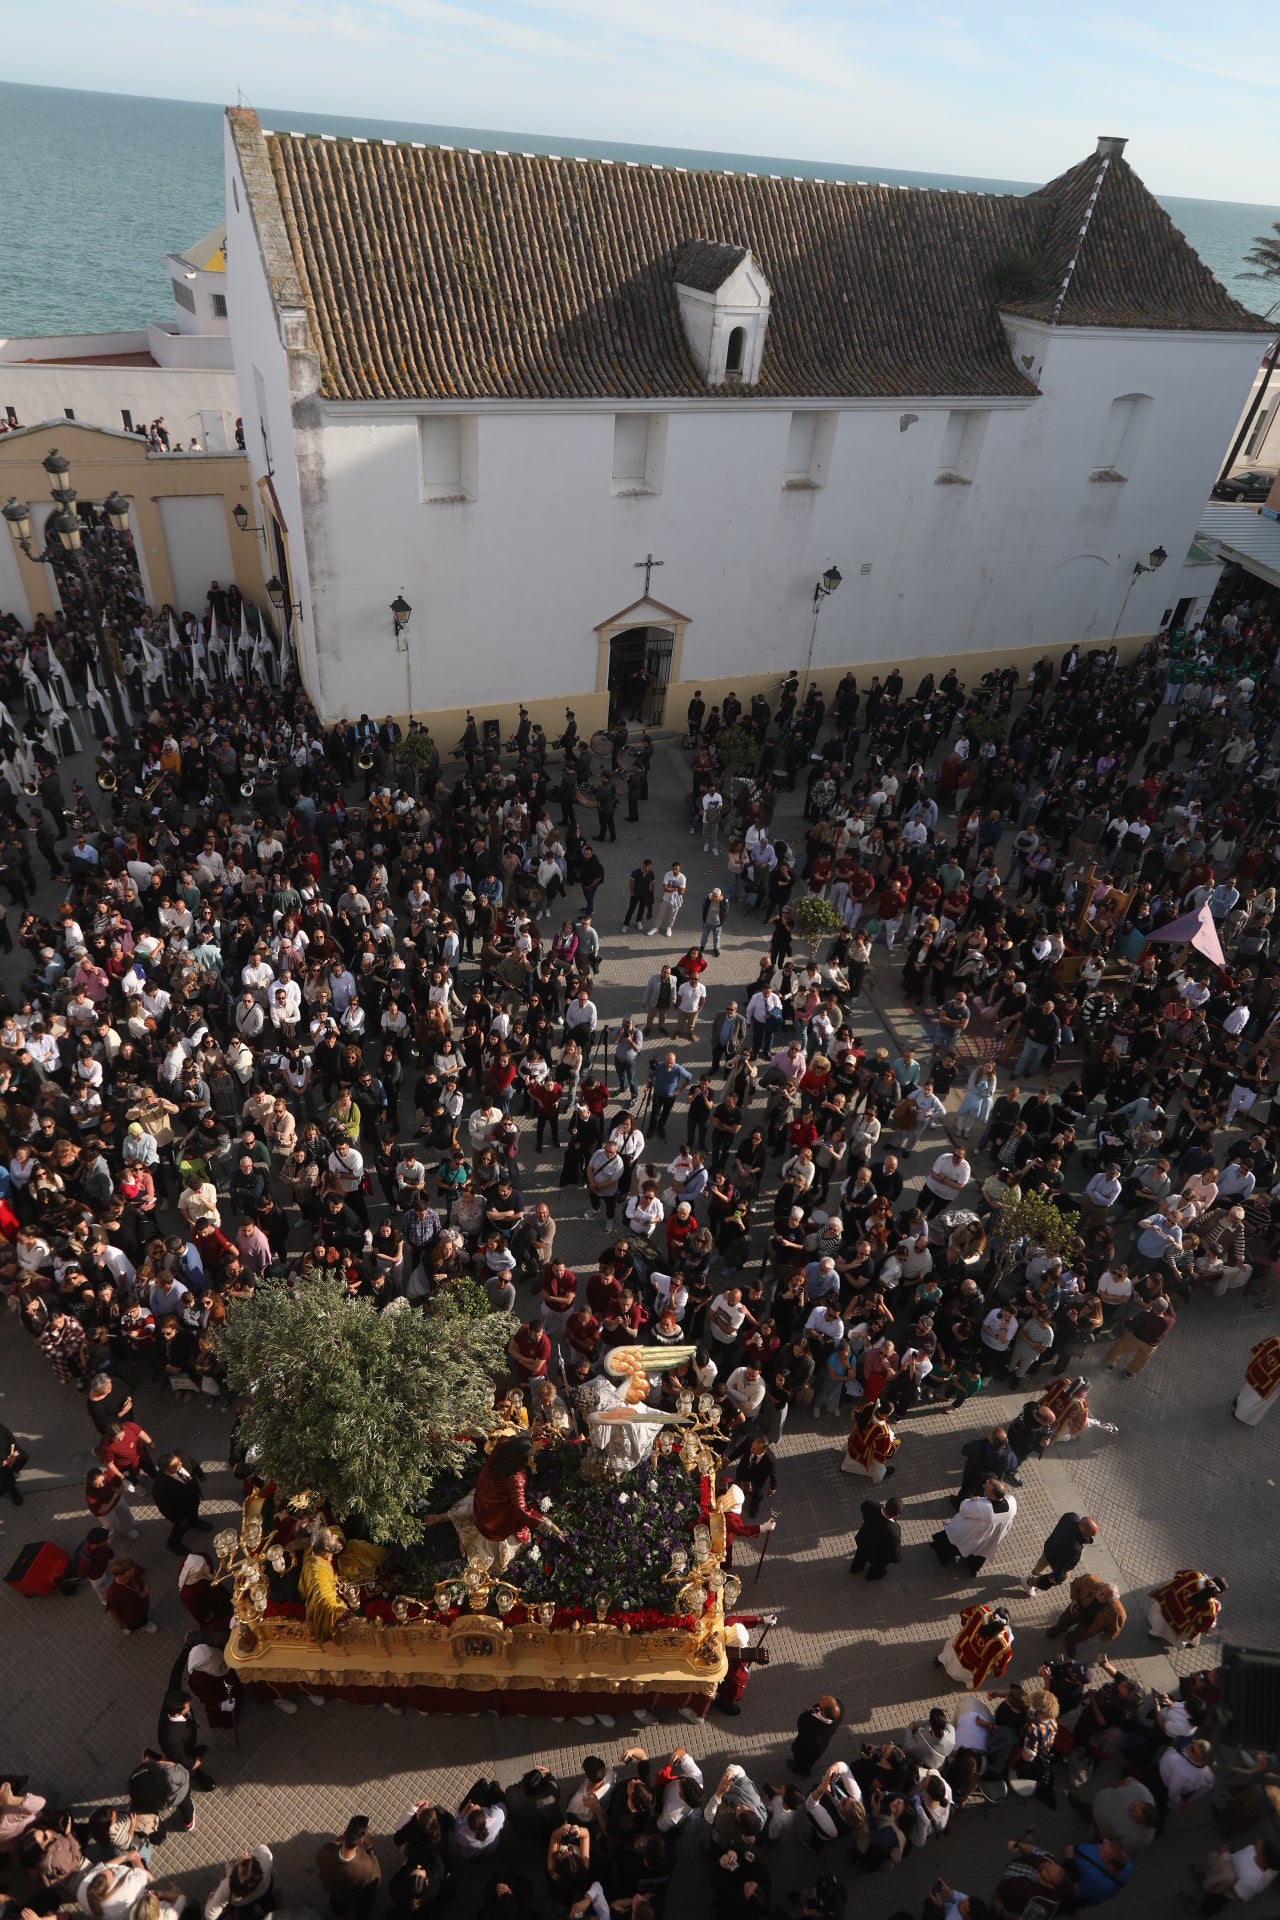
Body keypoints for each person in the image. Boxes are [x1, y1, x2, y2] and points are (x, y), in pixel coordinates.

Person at [931, 1480, 1016, 1575]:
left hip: (973, 1533)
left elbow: (963, 1508)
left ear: (992, 1496)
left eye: (986, 1488)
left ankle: (943, 1554)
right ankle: (972, 1567)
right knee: (980, 1552)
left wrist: (975, 1499)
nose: (983, 1485)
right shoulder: (1012, 1502)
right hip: (991, 1538)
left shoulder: (983, 1506)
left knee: (957, 1544)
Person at [316, 1815, 382, 1919]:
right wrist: (370, 1848)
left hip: (336, 1894)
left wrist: (340, 1839)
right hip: (357, 1896)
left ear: (345, 1833)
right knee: (363, 1909)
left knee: (338, 1909)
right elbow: (376, 1882)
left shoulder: (324, 1851)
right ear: (361, 1841)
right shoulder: (367, 1867)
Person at [1044, 1573, 1127, 1655]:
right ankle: (1059, 1629)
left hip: (1090, 1624)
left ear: (1111, 1601)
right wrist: (1074, 1600)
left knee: (1080, 1636)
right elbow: (1075, 1585)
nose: (1098, 1593)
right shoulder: (1090, 1580)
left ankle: (1071, 1641)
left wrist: (1106, 1636)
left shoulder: (1118, 1613)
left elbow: (1114, 1629)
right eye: (1100, 1589)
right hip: (1077, 1608)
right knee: (1064, 1620)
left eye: (1103, 1595)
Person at [935, 1603, 1014, 1687]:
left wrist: (966, 1627)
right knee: (968, 1674)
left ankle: (940, 1660)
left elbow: (963, 1613)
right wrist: (996, 1673)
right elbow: (1000, 1668)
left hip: (959, 1647)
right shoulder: (1004, 1645)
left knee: (950, 1652)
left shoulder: (981, 1610)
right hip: (972, 1664)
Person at [1018, 1512, 1100, 1591]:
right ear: (1085, 1532)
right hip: (1056, 1562)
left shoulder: (1070, 1517)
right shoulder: (1075, 1548)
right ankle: (1031, 1582)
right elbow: (1064, 1564)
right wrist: (1058, 1576)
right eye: (1092, 1535)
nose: (1092, 1537)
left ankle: (1035, 1573)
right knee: (1062, 1579)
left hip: (1049, 1549)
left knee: (1041, 1564)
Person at [1148, 1569, 1227, 1647]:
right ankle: (1189, 1642)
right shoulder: (1211, 1607)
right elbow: (1204, 1625)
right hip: (1179, 1622)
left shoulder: (1194, 1575)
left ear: (1210, 1579)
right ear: (1217, 1593)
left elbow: (1179, 1574)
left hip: (1167, 1604)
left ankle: (1154, 1632)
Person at [840, 1399, 898, 1482]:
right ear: (885, 1414)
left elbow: (856, 1414)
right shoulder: (882, 1430)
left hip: (855, 1437)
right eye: (890, 1413)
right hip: (864, 1448)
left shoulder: (869, 1406)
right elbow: (881, 1450)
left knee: (850, 1454)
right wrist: (890, 1445)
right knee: (876, 1466)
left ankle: (844, 1466)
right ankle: (879, 1476)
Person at [848, 1496, 902, 1581]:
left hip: (863, 1542)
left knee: (860, 1555)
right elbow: (894, 1550)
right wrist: (897, 1559)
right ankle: (870, 1577)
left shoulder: (871, 1506)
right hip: (878, 1555)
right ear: (897, 1515)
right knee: (878, 1568)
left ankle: (855, 1569)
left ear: (885, 1504)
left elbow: (863, 1506)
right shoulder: (894, 1530)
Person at [787, 1695, 844, 1775]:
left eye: (822, 1701)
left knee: (803, 1759)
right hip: (817, 1745)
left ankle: (803, 1771)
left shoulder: (811, 1728)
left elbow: (801, 1729)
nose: (822, 1696)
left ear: (823, 1712)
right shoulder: (839, 1707)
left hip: (807, 1749)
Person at [1234, 1335, 1280, 1425]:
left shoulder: (1275, 1340)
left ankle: (1239, 1403)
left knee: (1249, 1389)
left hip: (1258, 1374)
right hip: (1269, 1385)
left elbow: (1259, 1350)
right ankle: (1242, 1415)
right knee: (1257, 1401)